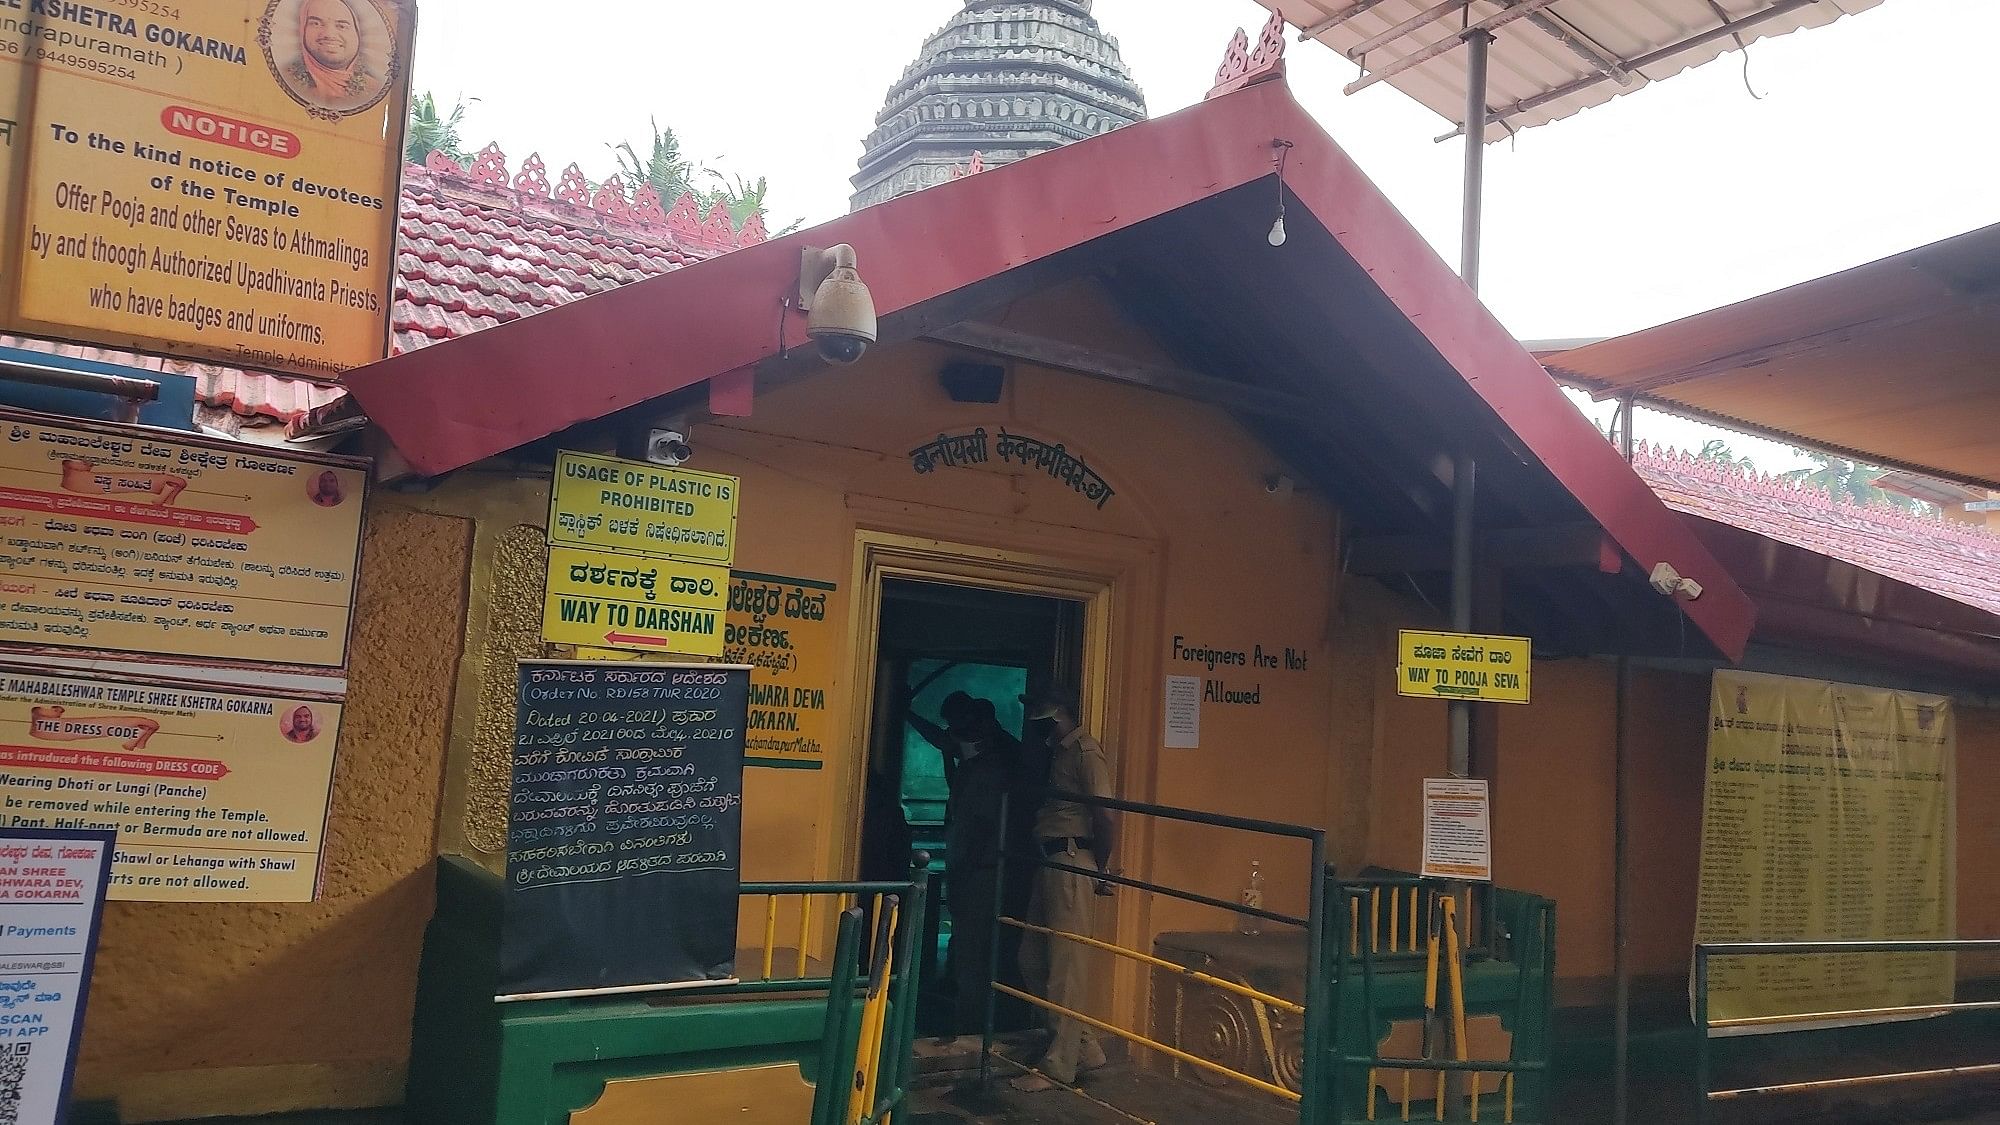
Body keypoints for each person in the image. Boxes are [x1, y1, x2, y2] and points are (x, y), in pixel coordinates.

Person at [1013, 690, 1117, 1092]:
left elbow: (1105, 814)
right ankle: (1083, 1046)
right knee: (1032, 959)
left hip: (1073, 857)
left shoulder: (1086, 752)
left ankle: (1059, 1063)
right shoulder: (1059, 751)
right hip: (1053, 856)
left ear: (1055, 716)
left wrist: (1101, 869)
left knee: (1066, 968)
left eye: (1037, 717)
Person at [908, 693, 1025, 1034]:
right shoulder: (977, 760)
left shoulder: (995, 765)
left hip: (982, 867)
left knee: (978, 951)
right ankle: (967, 1011)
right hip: (974, 865)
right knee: (968, 944)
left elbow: (982, 825)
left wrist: (964, 870)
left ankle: (973, 1025)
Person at [286, 0, 380, 107]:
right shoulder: (286, 80)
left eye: (341, 26)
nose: (329, 34)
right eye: (316, 23)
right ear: (303, 29)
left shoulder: (373, 89)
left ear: (357, 34)